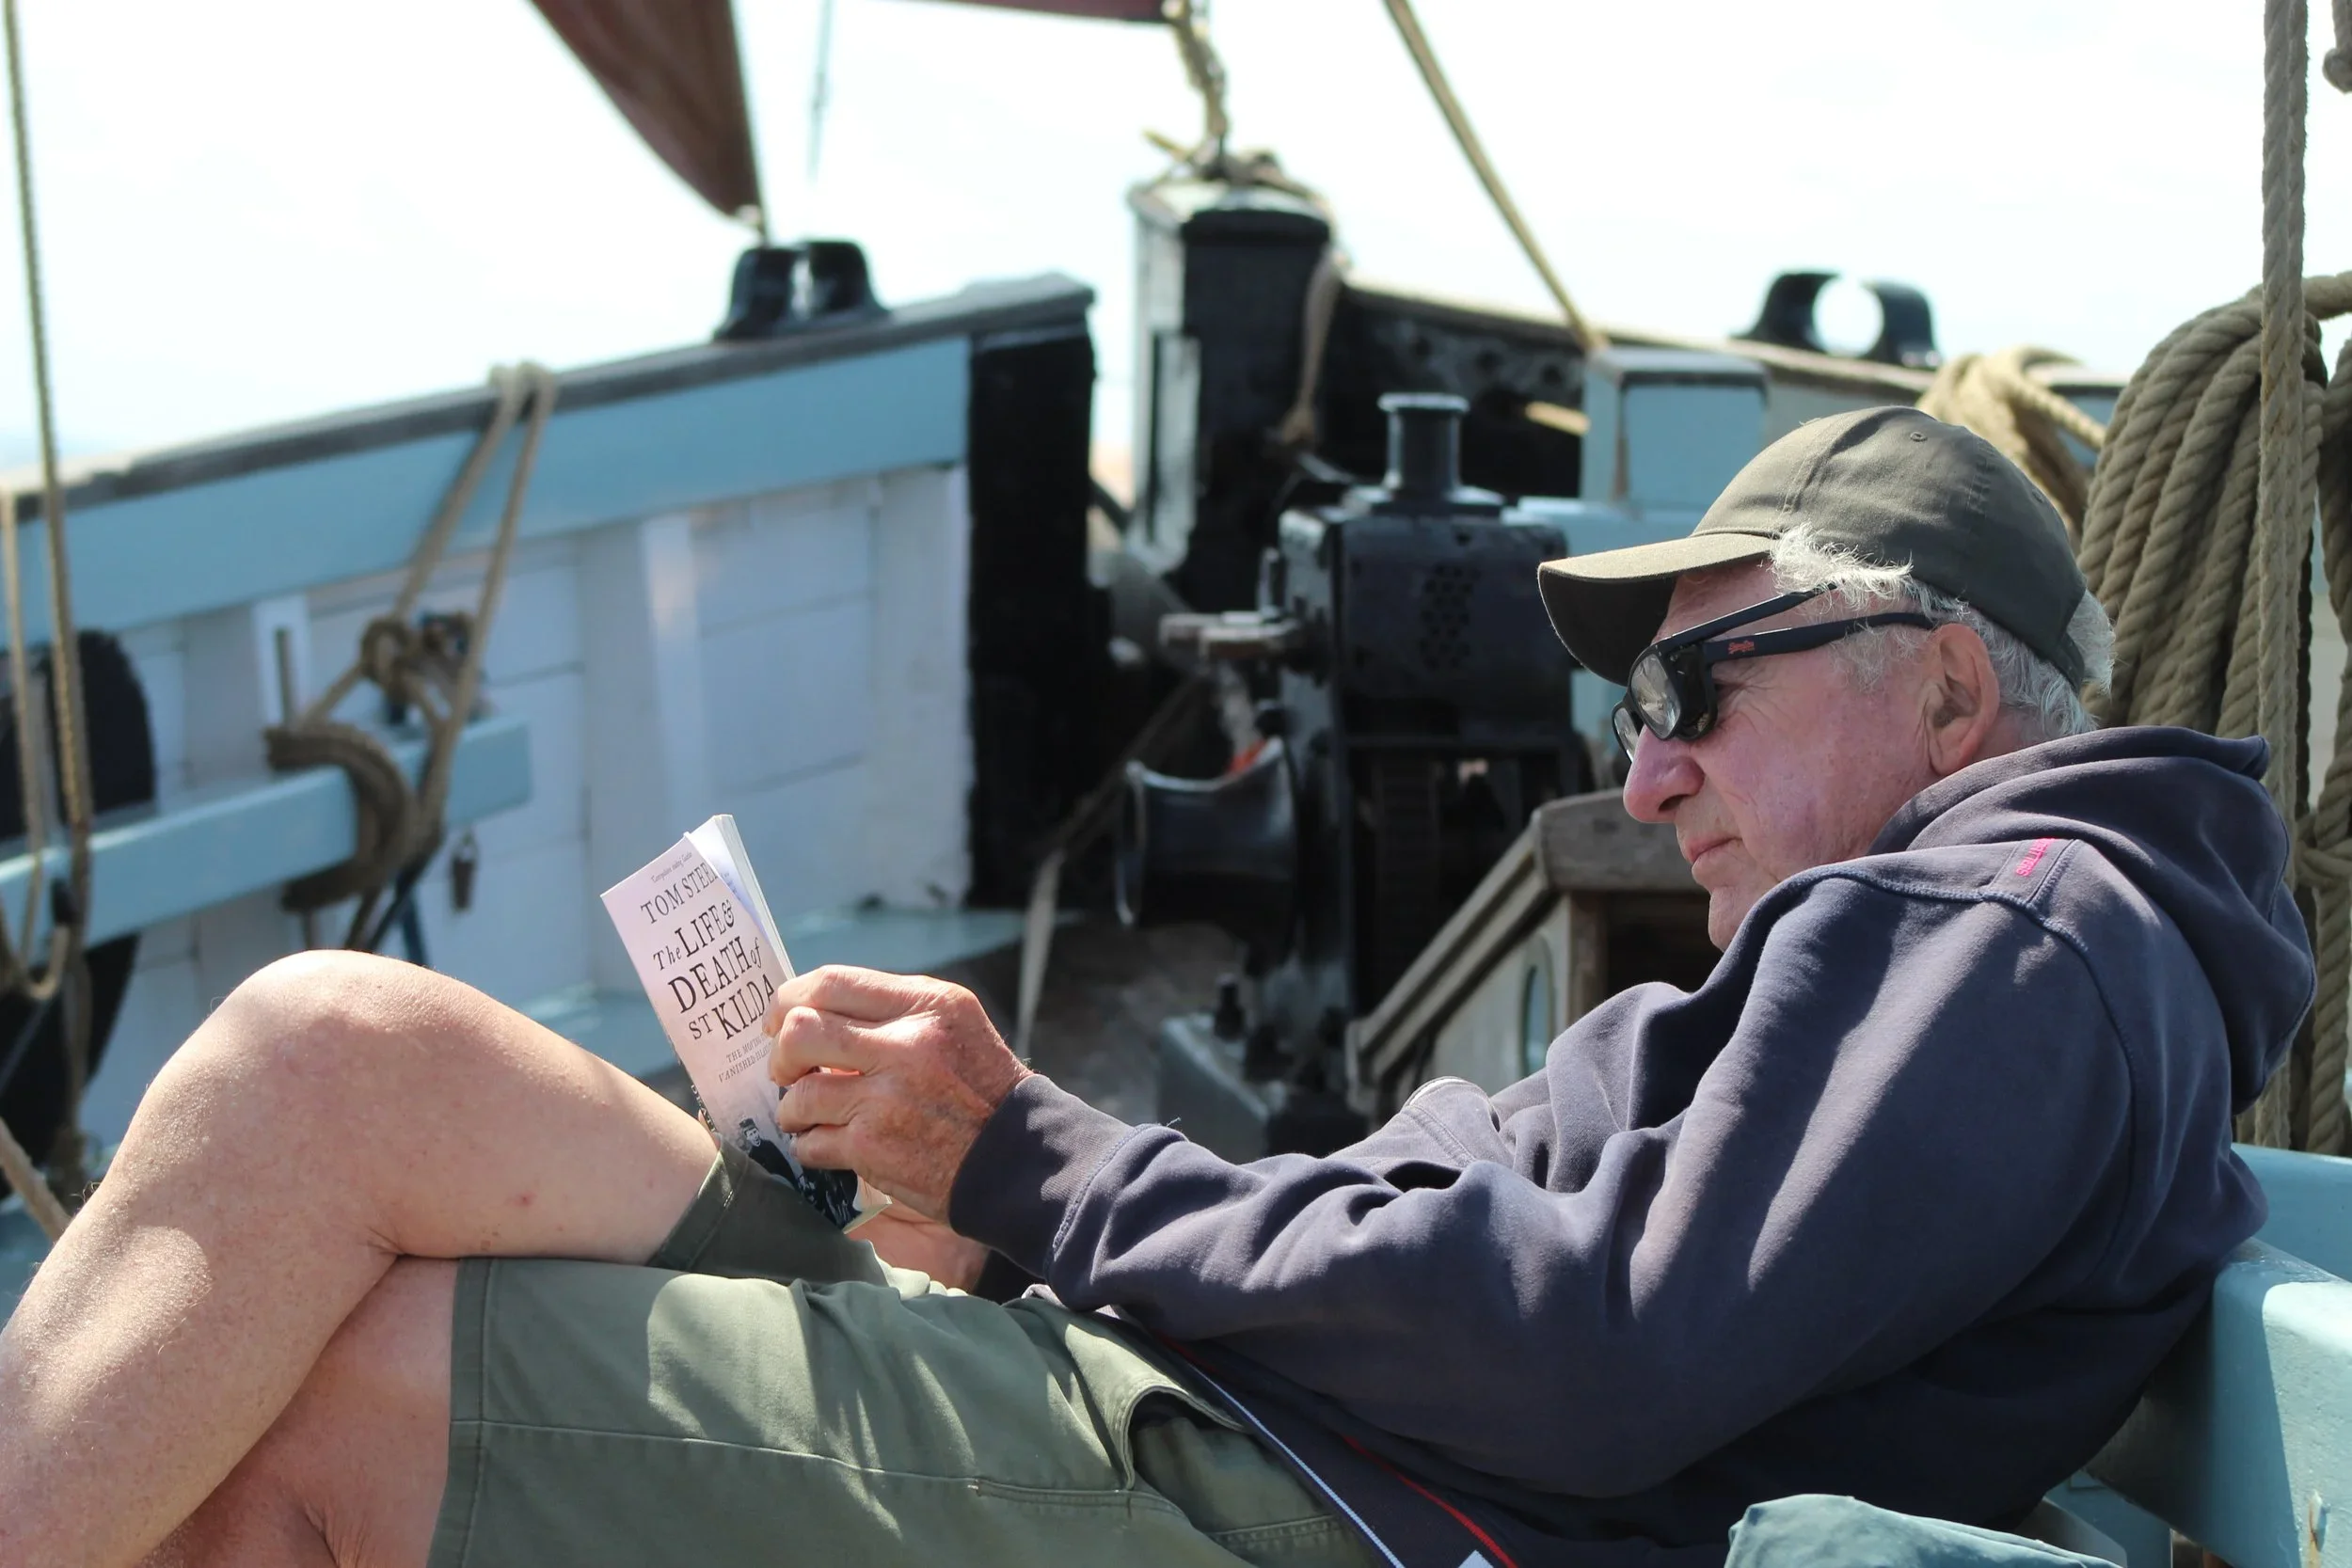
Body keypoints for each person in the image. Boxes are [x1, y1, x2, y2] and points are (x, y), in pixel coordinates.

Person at [0, 406, 2311, 1568]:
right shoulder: (1990, 940)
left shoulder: (2004, 929)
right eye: (1634, 705)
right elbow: (1541, 1272)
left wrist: (1050, 1159)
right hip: (1227, 1393)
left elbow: (1604, 1356)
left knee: (328, 1402)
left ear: (1936, 685)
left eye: (1703, 675)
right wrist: (1009, 1201)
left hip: (1312, 1500)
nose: (1652, 759)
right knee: (351, 1047)